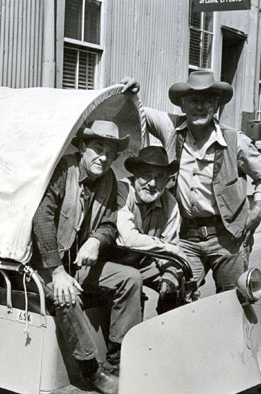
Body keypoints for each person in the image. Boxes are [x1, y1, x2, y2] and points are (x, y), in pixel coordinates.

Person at [124, 71, 261, 294]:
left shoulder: (236, 141)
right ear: (183, 105)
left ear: (216, 106)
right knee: (175, 299)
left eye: (207, 101)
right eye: (194, 100)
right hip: (186, 237)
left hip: (227, 237)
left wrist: (257, 208)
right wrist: (131, 90)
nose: (200, 107)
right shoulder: (170, 128)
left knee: (233, 302)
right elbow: (136, 109)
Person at [31, 120, 142, 394]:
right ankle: (91, 369)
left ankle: (117, 361)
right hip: (44, 265)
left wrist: (95, 240)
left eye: (111, 153)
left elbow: (109, 223)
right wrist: (56, 271)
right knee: (66, 295)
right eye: (97, 148)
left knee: (131, 278)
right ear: (82, 147)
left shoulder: (109, 179)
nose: (104, 158)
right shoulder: (63, 170)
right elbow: (41, 217)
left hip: (78, 264)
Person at [116, 146, 185, 313]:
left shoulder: (170, 203)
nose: (153, 184)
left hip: (144, 264)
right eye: (147, 176)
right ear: (135, 175)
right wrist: (168, 248)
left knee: (177, 283)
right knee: (132, 281)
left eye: (160, 177)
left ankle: (167, 330)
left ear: (167, 180)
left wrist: (169, 273)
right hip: (114, 261)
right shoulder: (123, 190)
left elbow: (170, 245)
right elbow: (128, 239)